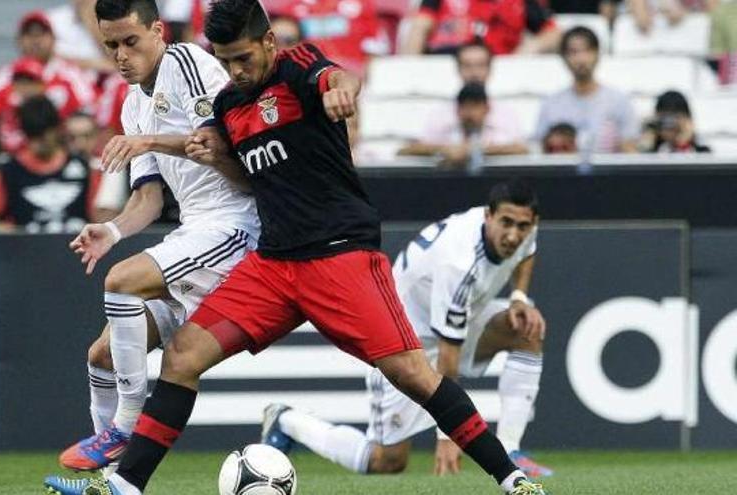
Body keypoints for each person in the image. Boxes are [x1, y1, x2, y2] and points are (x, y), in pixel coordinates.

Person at [44, 1, 547, 494]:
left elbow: (339, 78)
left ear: (267, 41)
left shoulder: (299, 66)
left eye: (243, 57)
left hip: (340, 255)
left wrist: (341, 94)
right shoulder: (228, 104)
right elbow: (235, 168)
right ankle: (126, 486)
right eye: (225, 61)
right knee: (181, 357)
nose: (236, 70)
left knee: (412, 374)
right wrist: (202, 154)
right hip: (274, 265)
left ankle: (512, 479)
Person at [49, 0, 259, 475]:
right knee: (102, 355)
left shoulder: (185, 63)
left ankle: (126, 425)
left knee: (122, 282)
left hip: (237, 222)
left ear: (158, 31)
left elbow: (217, 143)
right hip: (196, 230)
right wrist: (112, 229)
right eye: (111, 45)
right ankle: (110, 481)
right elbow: (147, 199)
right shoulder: (132, 103)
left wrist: (147, 142)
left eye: (130, 41)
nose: (121, 55)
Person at [262, 179, 553, 479]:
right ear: (488, 216)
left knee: (526, 330)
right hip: (402, 340)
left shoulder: (522, 229)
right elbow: (448, 360)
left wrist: (518, 297)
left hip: (456, 319)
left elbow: (527, 252)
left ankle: (510, 451)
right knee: (388, 461)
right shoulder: (459, 263)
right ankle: (288, 421)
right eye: (506, 223)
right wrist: (450, 435)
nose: (513, 235)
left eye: (522, 226)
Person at [0, 95, 100, 232]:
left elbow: (100, 215)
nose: (37, 143)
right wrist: (9, 233)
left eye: (43, 135)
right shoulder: (9, 170)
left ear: (56, 130)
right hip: (26, 249)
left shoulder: (83, 167)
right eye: (32, 136)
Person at [0, 10, 95, 153]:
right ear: (19, 40)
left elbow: (90, 114)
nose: (36, 40)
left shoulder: (73, 77)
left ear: (53, 39)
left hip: (61, 159)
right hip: (12, 160)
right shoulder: (1, 79)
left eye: (41, 34)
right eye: (29, 34)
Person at [535, 26, 640, 153]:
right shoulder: (551, 104)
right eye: (574, 52)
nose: (581, 59)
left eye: (587, 50)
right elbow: (541, 151)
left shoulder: (618, 101)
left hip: (609, 172)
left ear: (597, 54)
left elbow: (630, 151)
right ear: (563, 58)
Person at [398, 83, 528, 169]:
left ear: (487, 109)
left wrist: (474, 149)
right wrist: (445, 150)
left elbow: (522, 150)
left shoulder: (499, 130)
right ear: (457, 110)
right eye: (465, 107)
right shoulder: (446, 130)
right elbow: (405, 150)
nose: (469, 113)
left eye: (475, 107)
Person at [400, 0, 560, 55]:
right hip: (444, 66)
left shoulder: (520, 2)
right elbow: (419, 27)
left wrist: (529, 49)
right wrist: (411, 70)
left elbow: (554, 33)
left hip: (496, 71)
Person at [641, 90, 711, 153]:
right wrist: (647, 142)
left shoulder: (702, 152)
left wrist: (683, 141)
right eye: (665, 118)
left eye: (675, 117)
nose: (669, 123)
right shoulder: (652, 150)